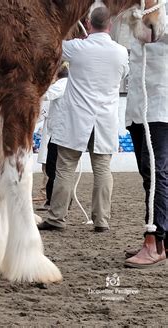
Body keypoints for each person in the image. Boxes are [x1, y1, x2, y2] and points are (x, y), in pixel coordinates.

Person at [38, 7, 129, 232]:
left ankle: (57, 217)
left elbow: (52, 41)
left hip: (76, 119)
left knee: (65, 168)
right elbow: (125, 74)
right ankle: (101, 220)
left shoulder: (77, 47)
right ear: (110, 26)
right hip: (104, 120)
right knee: (102, 170)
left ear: (88, 23)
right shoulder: (120, 52)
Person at [124, 9, 168, 268]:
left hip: (161, 104)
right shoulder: (137, 10)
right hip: (139, 106)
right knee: (149, 172)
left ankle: (155, 240)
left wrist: (153, 20)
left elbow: (155, 31)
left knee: (156, 172)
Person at [36, 65, 69, 210]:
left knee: (54, 169)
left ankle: (54, 201)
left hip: (59, 132)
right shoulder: (72, 84)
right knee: (58, 169)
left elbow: (47, 95)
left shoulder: (63, 84)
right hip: (60, 131)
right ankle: (53, 200)